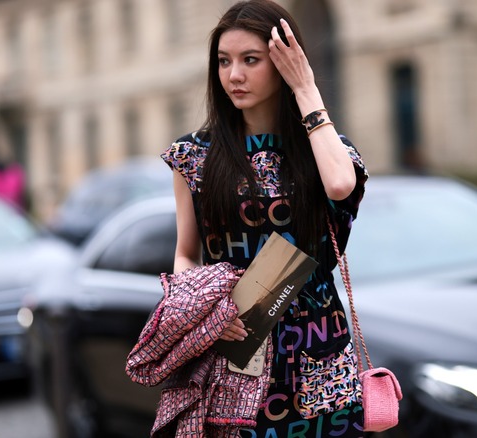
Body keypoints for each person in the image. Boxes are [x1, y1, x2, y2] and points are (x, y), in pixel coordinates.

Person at [160, 0, 368, 436]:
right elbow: (185, 254)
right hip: (236, 353)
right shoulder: (195, 156)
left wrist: (306, 88)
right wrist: (206, 311)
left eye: (250, 60)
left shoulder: (324, 149)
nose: (234, 75)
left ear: (283, 64)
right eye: (224, 61)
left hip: (319, 354)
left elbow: (339, 187)